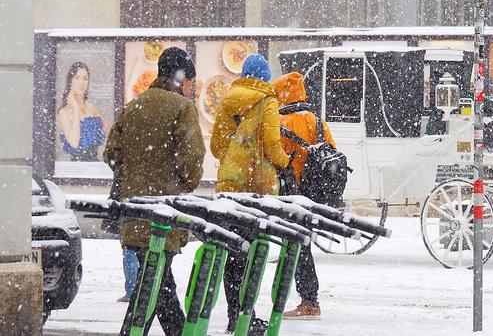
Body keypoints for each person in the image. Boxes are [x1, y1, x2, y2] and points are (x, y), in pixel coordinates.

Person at [104, 47, 205, 336]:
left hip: (135, 213)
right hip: (164, 216)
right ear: (181, 78)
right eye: (190, 81)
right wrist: (179, 185)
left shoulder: (134, 105)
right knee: (157, 284)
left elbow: (112, 153)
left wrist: (133, 180)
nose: (190, 88)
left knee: (155, 284)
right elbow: (191, 163)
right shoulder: (182, 108)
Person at [211, 54, 290, 334]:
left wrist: (236, 155)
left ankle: (235, 313)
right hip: (257, 188)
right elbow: (271, 144)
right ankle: (247, 314)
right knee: (254, 252)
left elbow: (217, 148)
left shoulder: (228, 100)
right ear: (265, 77)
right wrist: (284, 161)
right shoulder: (268, 102)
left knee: (232, 252)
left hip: (230, 188)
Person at [273, 72, 336, 320]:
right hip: (314, 194)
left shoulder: (283, 123)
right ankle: (307, 297)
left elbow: (276, 158)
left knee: (299, 246)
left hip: (293, 193)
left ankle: (309, 300)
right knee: (300, 244)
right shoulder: (316, 120)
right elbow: (331, 150)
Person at [58, 62, 108, 161]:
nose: (82, 83)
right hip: (77, 167)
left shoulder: (90, 106)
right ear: (70, 81)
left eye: (85, 79)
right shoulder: (64, 112)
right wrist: (76, 109)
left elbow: (107, 128)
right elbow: (74, 143)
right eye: (77, 78)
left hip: (95, 165)